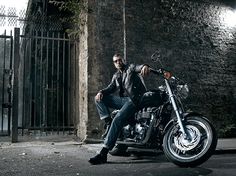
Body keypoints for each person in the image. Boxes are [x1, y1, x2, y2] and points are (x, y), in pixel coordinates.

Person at [89, 53, 150, 165]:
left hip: (134, 100)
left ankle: (103, 154)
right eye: (115, 61)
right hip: (123, 101)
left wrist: (144, 66)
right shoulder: (116, 76)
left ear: (123, 60)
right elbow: (110, 88)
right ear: (114, 63)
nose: (118, 62)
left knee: (118, 119)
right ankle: (108, 120)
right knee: (99, 98)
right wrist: (101, 92)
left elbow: (138, 67)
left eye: (119, 60)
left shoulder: (130, 68)